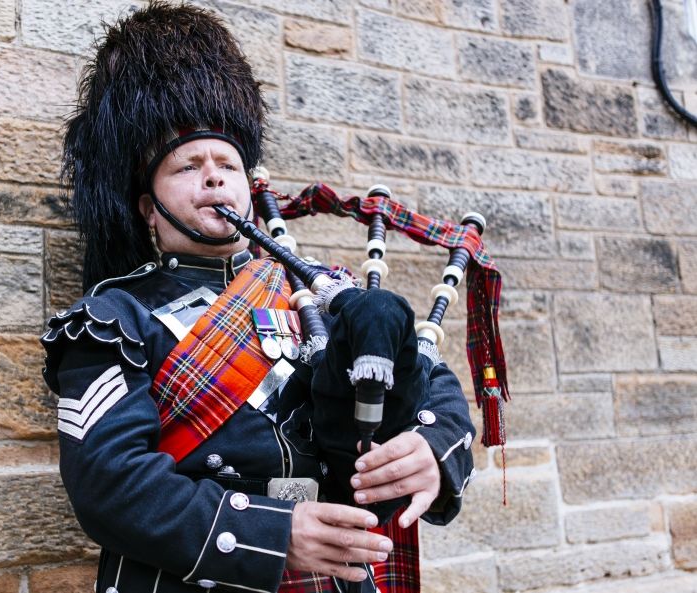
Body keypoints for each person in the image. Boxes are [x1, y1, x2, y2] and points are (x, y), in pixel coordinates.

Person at [40, 3, 476, 592]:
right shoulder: (111, 318)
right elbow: (110, 484)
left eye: (228, 164)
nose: (215, 177)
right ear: (149, 209)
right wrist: (273, 534)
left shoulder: (320, 288)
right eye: (188, 166)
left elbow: (429, 375)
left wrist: (430, 447)